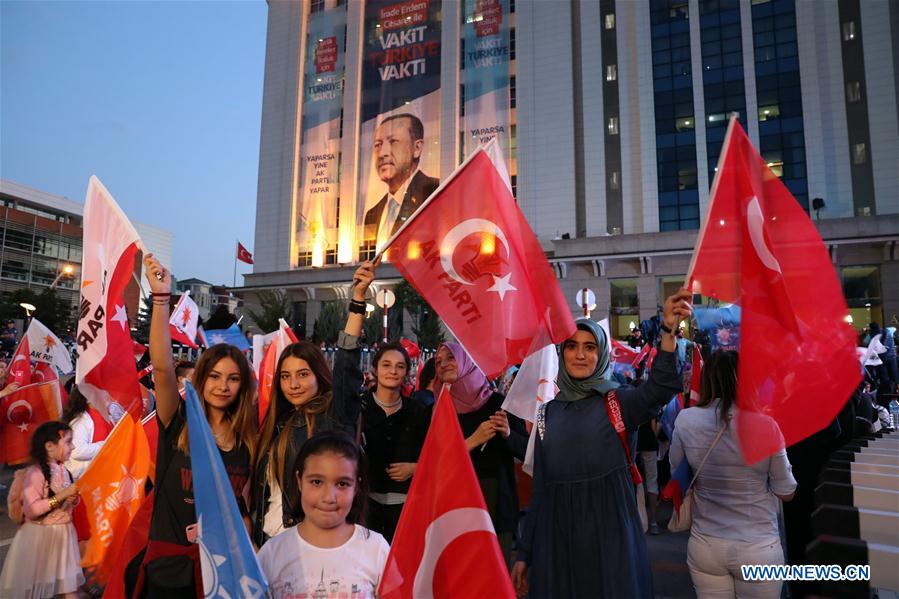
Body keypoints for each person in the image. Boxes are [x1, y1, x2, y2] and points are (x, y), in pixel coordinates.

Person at [512, 289, 692, 599]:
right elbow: (540, 488)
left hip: (611, 540)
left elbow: (661, 387)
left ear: (602, 354)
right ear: (561, 353)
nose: (580, 355)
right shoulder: (547, 414)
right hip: (557, 542)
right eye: (572, 346)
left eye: (590, 347)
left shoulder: (619, 402)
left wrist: (667, 330)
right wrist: (525, 552)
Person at [139, 254, 258, 597]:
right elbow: (162, 368)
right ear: (201, 380)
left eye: (233, 379)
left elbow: (244, 511)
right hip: (169, 568)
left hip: (222, 571)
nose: (223, 386)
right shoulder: (178, 421)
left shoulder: (248, 441)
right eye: (215, 377)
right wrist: (162, 298)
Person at [250, 263, 370, 547]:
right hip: (267, 543)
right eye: (285, 377)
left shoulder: (333, 416)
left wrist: (358, 301)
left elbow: (347, 365)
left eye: (303, 375)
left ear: (319, 376)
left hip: (310, 544)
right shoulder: (275, 425)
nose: (293, 384)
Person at [670, 350, 797, 599]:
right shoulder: (766, 424)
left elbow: (678, 474)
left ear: (707, 380)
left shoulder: (686, 420)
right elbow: (786, 492)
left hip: (705, 543)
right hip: (759, 546)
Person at [256, 431, 390, 599]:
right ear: (299, 481)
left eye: (342, 484)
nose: (329, 498)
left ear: (356, 486)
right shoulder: (272, 553)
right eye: (317, 482)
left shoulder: (376, 549)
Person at [435, 341, 527, 566]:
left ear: (467, 362)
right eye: (438, 362)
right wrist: (472, 441)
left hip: (496, 500)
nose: (443, 364)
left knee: (495, 571)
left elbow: (527, 450)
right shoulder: (439, 409)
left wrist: (507, 434)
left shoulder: (498, 403)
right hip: (456, 502)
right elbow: (434, 461)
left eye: (450, 358)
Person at [0, 421, 83, 598]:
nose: (73, 446)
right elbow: (32, 510)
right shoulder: (36, 473)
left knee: (68, 588)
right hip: (40, 538)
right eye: (68, 442)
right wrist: (62, 496)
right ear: (49, 447)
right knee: (33, 589)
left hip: (63, 535)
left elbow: (68, 503)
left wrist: (72, 500)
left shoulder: (64, 470)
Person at [359, 341, 431, 542]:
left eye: (400, 366)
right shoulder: (361, 407)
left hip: (407, 507)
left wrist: (415, 467)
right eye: (386, 365)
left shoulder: (419, 411)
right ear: (374, 369)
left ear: (407, 372)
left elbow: (434, 454)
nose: (392, 371)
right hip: (366, 505)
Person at [363, 114, 439, 250]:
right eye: (378, 145)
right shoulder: (372, 214)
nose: (382, 154)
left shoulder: (435, 193)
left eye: (393, 142)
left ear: (417, 148)